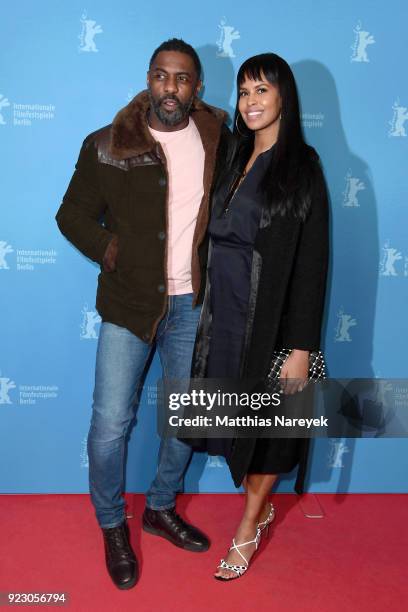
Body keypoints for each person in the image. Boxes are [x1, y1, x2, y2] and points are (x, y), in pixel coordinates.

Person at [56, 38, 230, 589]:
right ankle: (113, 524)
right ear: (148, 79)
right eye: (161, 76)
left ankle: (159, 508)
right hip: (129, 303)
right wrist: (114, 252)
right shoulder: (108, 144)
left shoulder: (217, 138)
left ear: (196, 87)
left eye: (182, 79)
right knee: (111, 425)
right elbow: (72, 215)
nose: (170, 88)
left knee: (185, 419)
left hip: (192, 305)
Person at [188, 53, 329, 580]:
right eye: (244, 91)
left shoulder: (302, 168)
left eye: (262, 90)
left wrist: (299, 348)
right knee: (235, 423)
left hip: (270, 324)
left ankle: (249, 525)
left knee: (269, 431)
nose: (250, 101)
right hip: (222, 319)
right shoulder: (234, 157)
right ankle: (259, 508)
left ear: (284, 99)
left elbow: (313, 263)